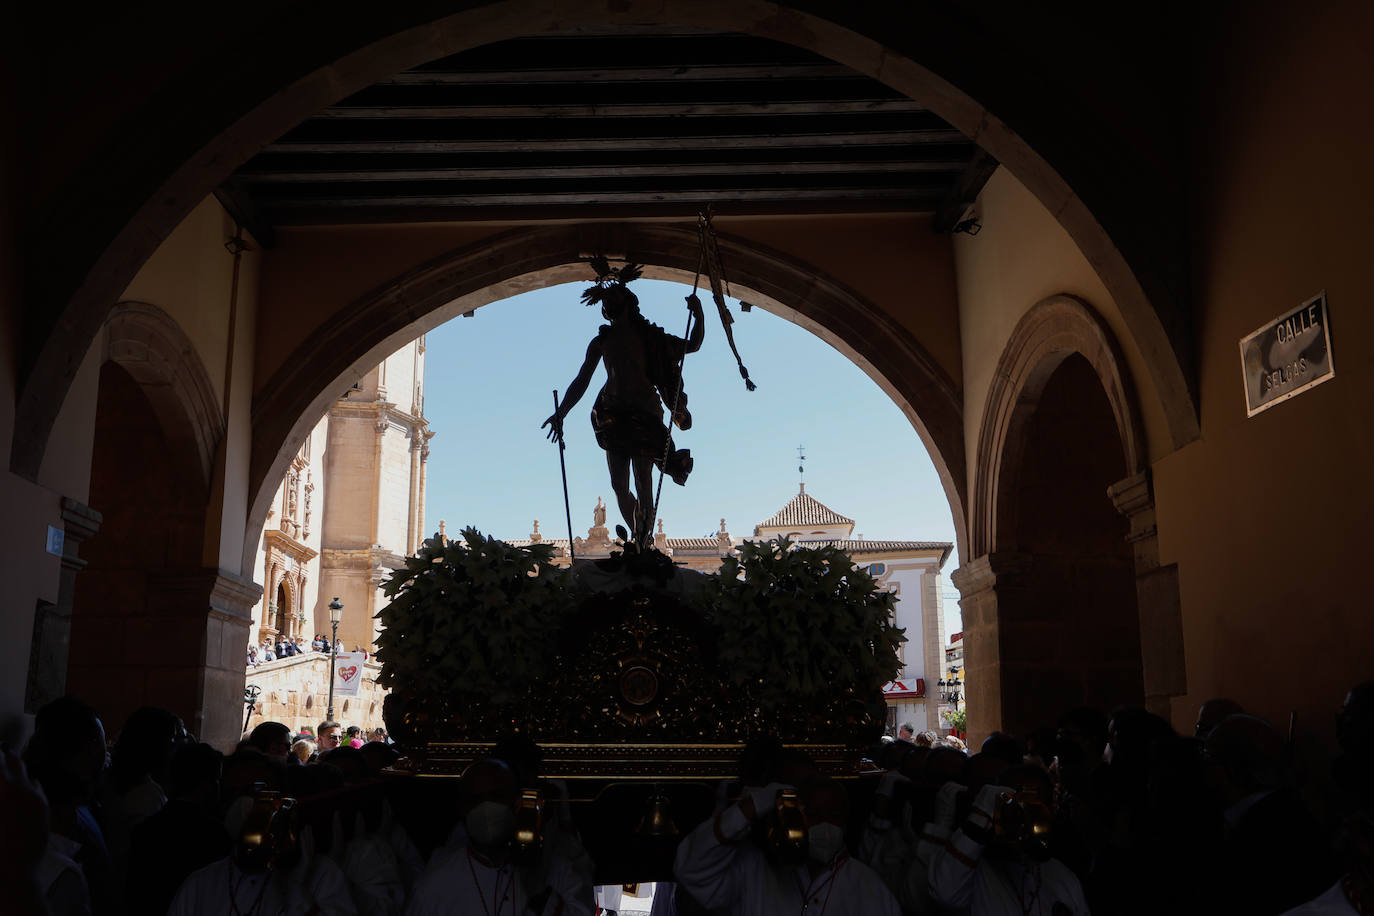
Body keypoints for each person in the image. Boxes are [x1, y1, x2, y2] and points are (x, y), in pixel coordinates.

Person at [543, 262, 704, 545]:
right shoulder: (601, 341)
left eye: (611, 300)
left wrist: (699, 314)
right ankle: (636, 538)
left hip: (644, 414)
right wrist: (562, 412)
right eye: (605, 302)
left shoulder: (650, 337)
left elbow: (693, 345)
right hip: (611, 415)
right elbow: (582, 380)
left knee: (643, 480)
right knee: (619, 485)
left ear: (627, 303)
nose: (606, 306)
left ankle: (644, 541)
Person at [674, 777, 900, 915]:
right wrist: (749, 809)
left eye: (833, 814)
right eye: (813, 814)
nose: (824, 823)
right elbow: (691, 870)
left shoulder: (868, 886)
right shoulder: (754, 870)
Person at [407, 758, 596, 915]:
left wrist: (540, 895)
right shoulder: (435, 886)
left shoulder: (556, 870)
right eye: (476, 799)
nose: (486, 808)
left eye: (496, 796)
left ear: (516, 802)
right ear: (462, 808)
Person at [927, 765, 1090, 914]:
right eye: (1019, 808)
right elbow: (944, 894)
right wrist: (980, 817)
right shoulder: (973, 872)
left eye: (1038, 808)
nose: (1028, 820)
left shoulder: (1060, 874)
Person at [126, 742, 230, 916]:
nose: (219, 787)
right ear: (206, 784)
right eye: (216, 780)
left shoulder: (145, 830)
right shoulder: (214, 834)